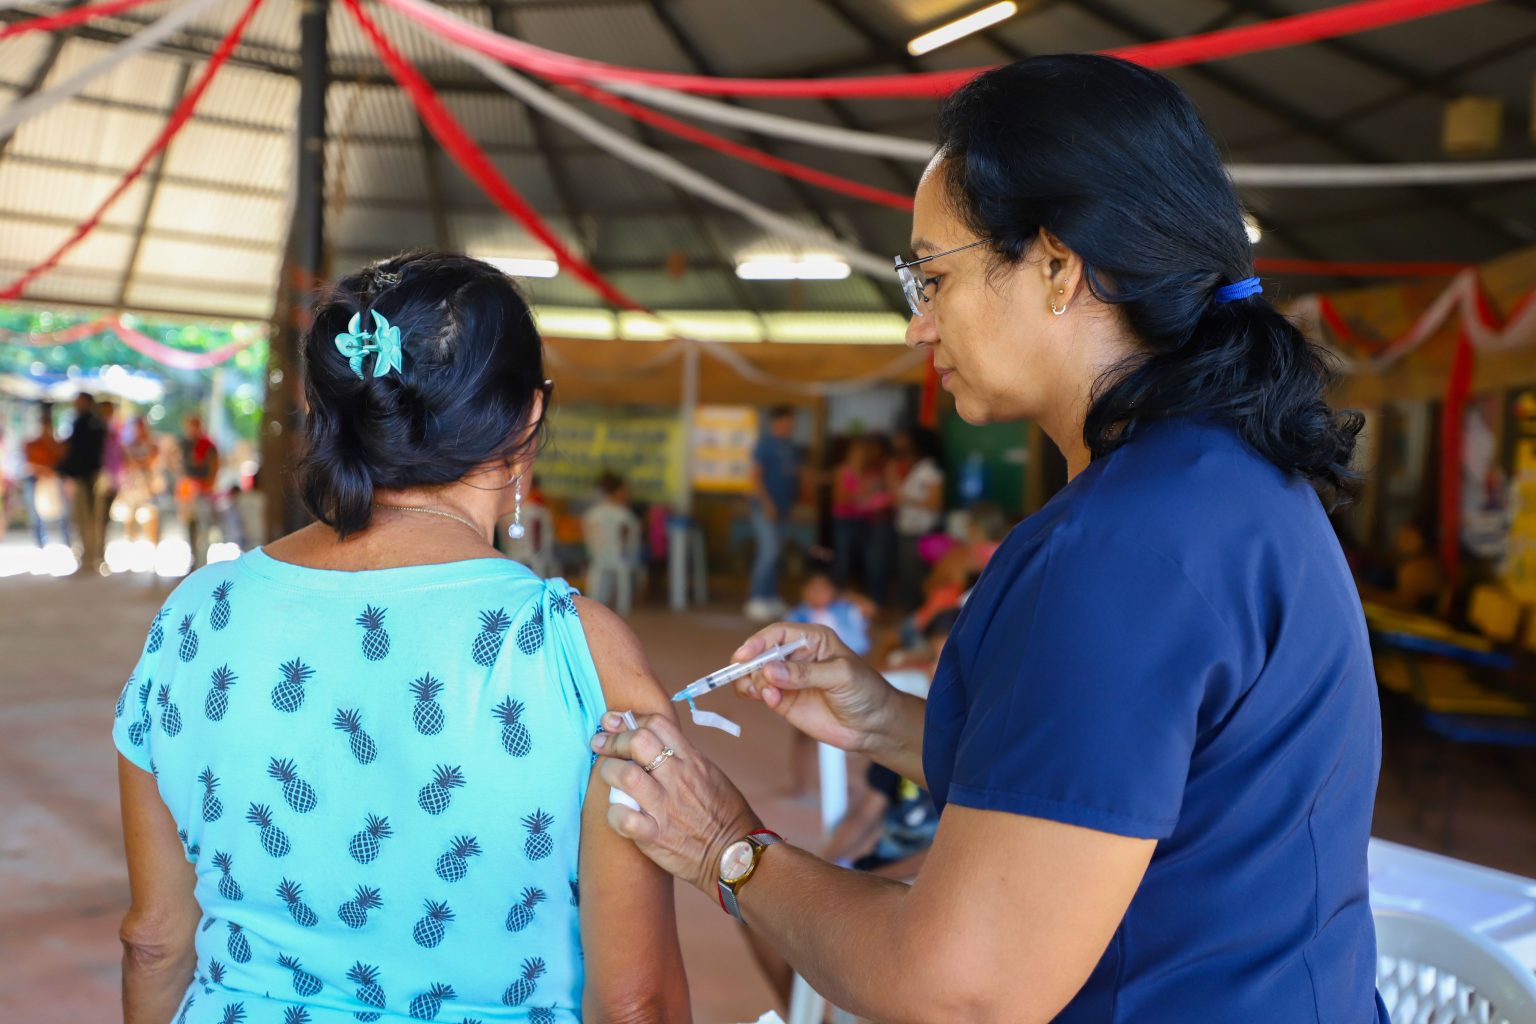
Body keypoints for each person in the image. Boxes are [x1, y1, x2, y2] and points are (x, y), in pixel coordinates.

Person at [592, 54, 1385, 1023]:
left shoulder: (1121, 552)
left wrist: (725, 844)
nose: (920, 326)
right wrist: (884, 718)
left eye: (932, 277)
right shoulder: (1228, 482)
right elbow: (1120, 783)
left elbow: (964, 990)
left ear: (1057, 267)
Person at [113, 252, 689, 1024]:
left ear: (333, 409)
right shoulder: (579, 653)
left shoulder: (194, 616)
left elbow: (155, 941)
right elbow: (637, 1002)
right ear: (527, 417)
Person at [782, 565, 874, 798]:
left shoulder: (845, 612)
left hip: (840, 684)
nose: (818, 593)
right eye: (812, 588)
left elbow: (867, 620)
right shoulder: (795, 617)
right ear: (803, 591)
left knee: (839, 735)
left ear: (834, 590)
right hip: (807, 684)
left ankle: (839, 784)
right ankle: (799, 781)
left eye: (824, 588)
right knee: (803, 735)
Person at [745, 406, 802, 623]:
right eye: (788, 422)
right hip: (765, 507)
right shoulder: (765, 444)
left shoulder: (789, 445)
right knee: (767, 552)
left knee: (776, 553)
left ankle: (770, 597)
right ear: (777, 421)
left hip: (783, 507)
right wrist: (767, 504)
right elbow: (756, 477)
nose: (791, 427)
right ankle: (756, 598)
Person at [890, 428, 946, 610]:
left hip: (921, 531)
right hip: (908, 529)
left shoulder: (929, 470)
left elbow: (935, 503)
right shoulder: (917, 468)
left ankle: (920, 613)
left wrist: (905, 498)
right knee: (908, 574)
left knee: (917, 575)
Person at [57, 391, 106, 572]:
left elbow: (85, 453)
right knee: (83, 518)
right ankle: (89, 556)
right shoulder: (83, 422)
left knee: (89, 518)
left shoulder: (91, 423)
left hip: (88, 476)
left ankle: (90, 557)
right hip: (83, 475)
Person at [582, 470, 642, 616]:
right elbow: (633, 537)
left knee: (600, 571)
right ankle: (623, 603)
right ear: (617, 491)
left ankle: (597, 600)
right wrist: (625, 550)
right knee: (625, 566)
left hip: (598, 557)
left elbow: (588, 538)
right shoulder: (624, 514)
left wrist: (594, 551)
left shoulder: (592, 513)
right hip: (620, 557)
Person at [22, 405, 69, 549]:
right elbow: (28, 464)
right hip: (37, 479)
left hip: (53, 479)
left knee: (63, 511)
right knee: (36, 513)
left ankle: (66, 541)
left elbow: (61, 458)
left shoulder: (57, 443)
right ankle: (40, 542)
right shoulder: (31, 443)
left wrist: (50, 440)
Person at [177, 415, 219, 569]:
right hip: (188, 493)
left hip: (203, 492)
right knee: (190, 528)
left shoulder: (207, 446)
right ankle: (193, 561)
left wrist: (207, 486)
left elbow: (213, 468)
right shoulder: (185, 444)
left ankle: (202, 563)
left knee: (203, 529)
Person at [121, 417, 161, 545]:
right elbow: (128, 462)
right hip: (133, 488)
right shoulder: (130, 445)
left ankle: (153, 546)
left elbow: (151, 461)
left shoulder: (152, 445)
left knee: (151, 518)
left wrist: (138, 462)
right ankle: (131, 544)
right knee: (130, 518)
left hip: (149, 487)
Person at [98, 400, 125, 551]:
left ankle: (100, 548)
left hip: (113, 477)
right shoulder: (99, 428)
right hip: (102, 476)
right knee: (98, 516)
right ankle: (97, 549)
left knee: (104, 516)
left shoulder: (116, 429)